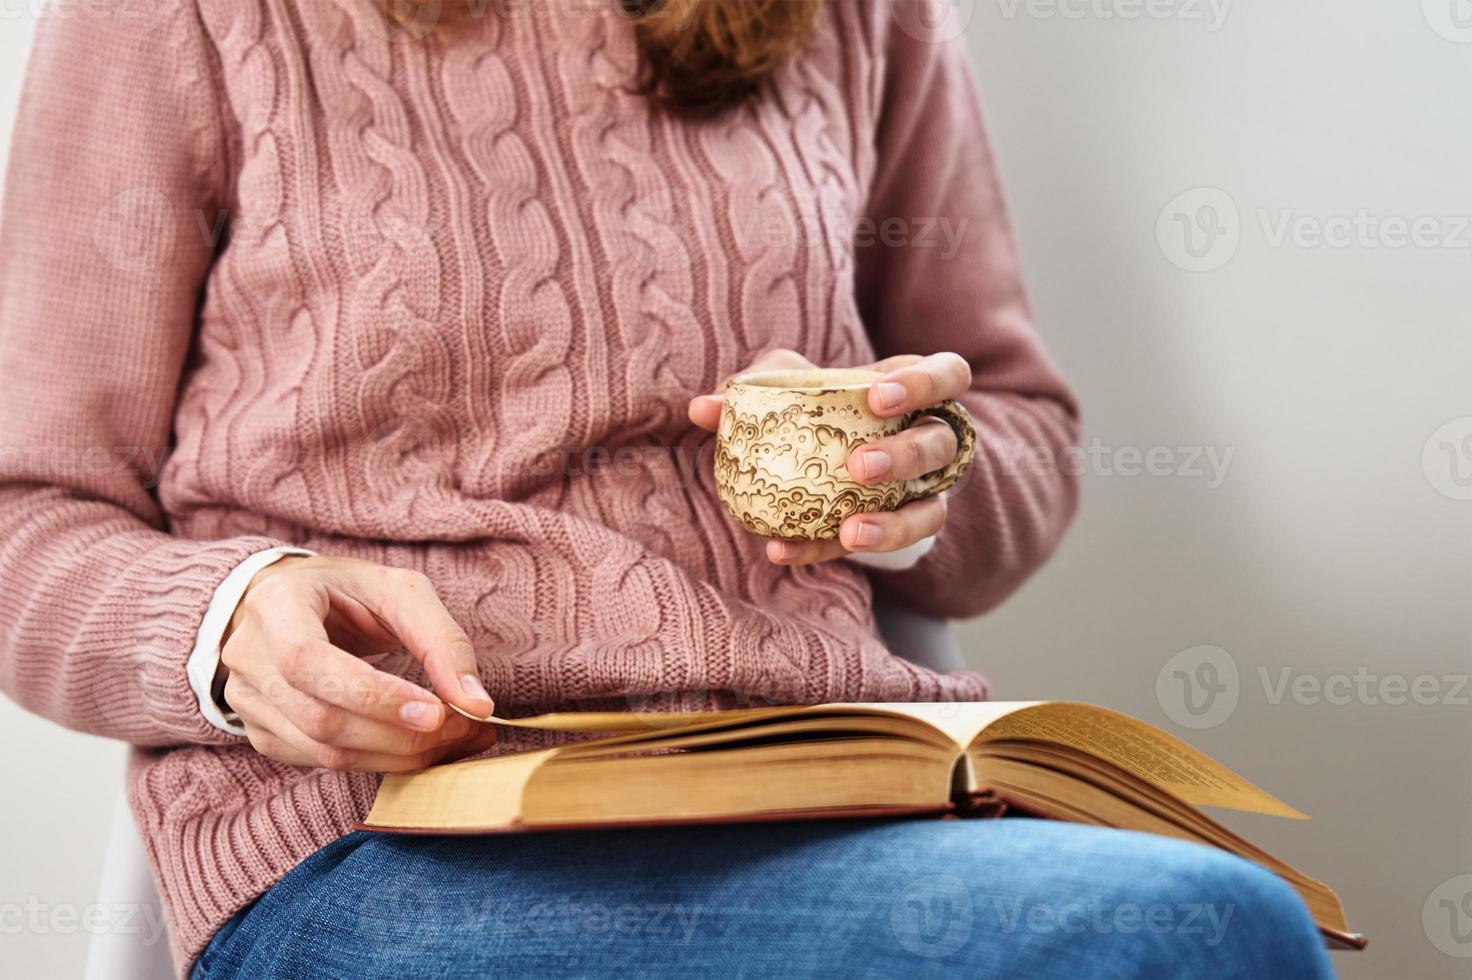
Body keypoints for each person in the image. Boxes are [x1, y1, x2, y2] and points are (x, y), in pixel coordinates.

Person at [0, 1, 1333, 976]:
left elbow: (1023, 426)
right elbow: (28, 511)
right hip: (389, 838)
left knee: (1217, 924)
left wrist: (923, 476)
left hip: (828, 796)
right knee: (1184, 939)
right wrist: (229, 622)